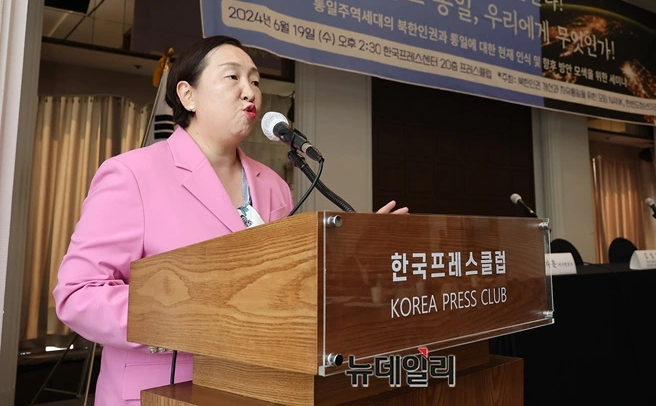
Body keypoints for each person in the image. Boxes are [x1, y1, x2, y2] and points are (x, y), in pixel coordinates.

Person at [53, 35, 407, 405]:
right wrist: (200, 316)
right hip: (161, 391)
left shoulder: (274, 186)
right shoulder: (132, 174)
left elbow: (284, 287)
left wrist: (354, 252)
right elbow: (78, 294)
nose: (250, 91)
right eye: (232, 77)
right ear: (188, 95)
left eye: (255, 81)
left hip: (256, 387)